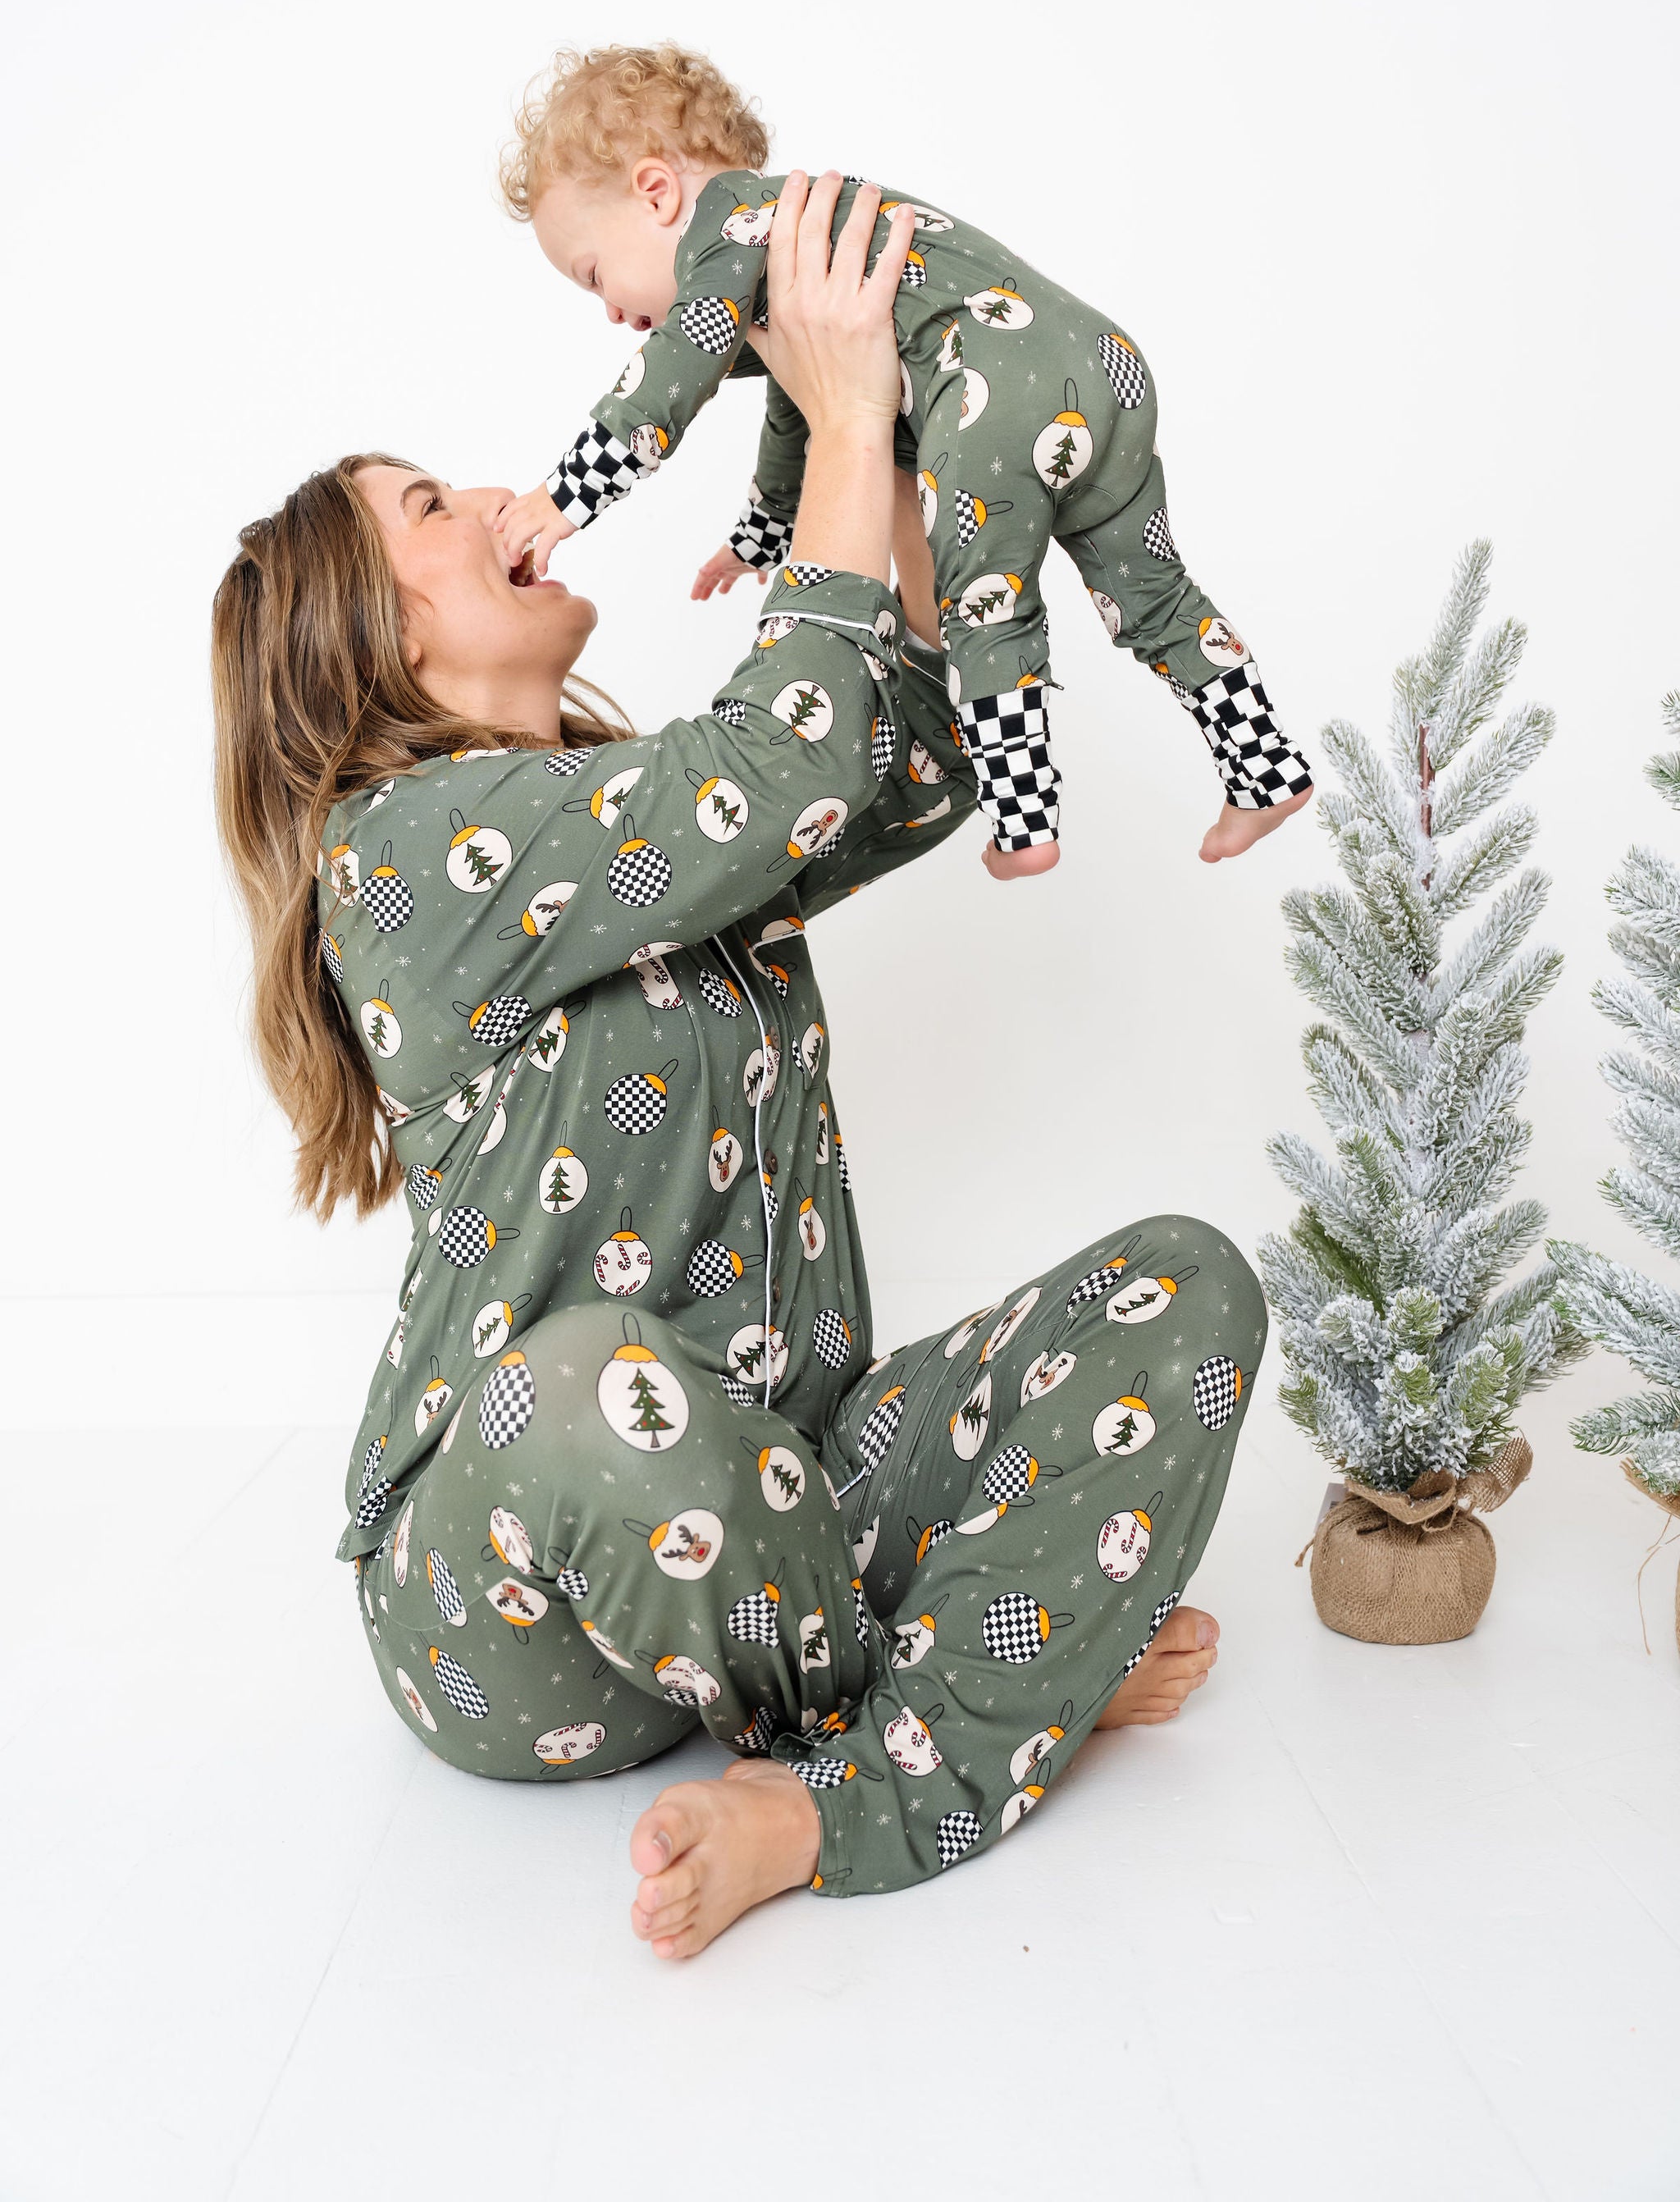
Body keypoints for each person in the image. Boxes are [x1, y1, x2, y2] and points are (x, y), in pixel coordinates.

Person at [212, 172, 1264, 1959]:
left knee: (1190, 1285)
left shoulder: (640, 831)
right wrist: (838, 417)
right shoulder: (395, 861)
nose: (491, 498)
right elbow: (780, 762)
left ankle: (869, 1728)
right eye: (430, 508)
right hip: (518, 1598)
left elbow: (893, 758)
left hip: (789, 1491)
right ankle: (944, 1718)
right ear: (380, 638)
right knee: (577, 1389)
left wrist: (913, 426)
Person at [491, 42, 1314, 881]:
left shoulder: (733, 219)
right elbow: (799, 406)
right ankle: (1264, 770)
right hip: (1105, 365)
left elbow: (669, 375)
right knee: (1149, 592)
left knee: (983, 609)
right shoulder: (788, 257)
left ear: (656, 192)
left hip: (998, 390)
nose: (608, 312)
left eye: (593, 275)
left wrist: (563, 498)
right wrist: (759, 535)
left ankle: (1025, 825)